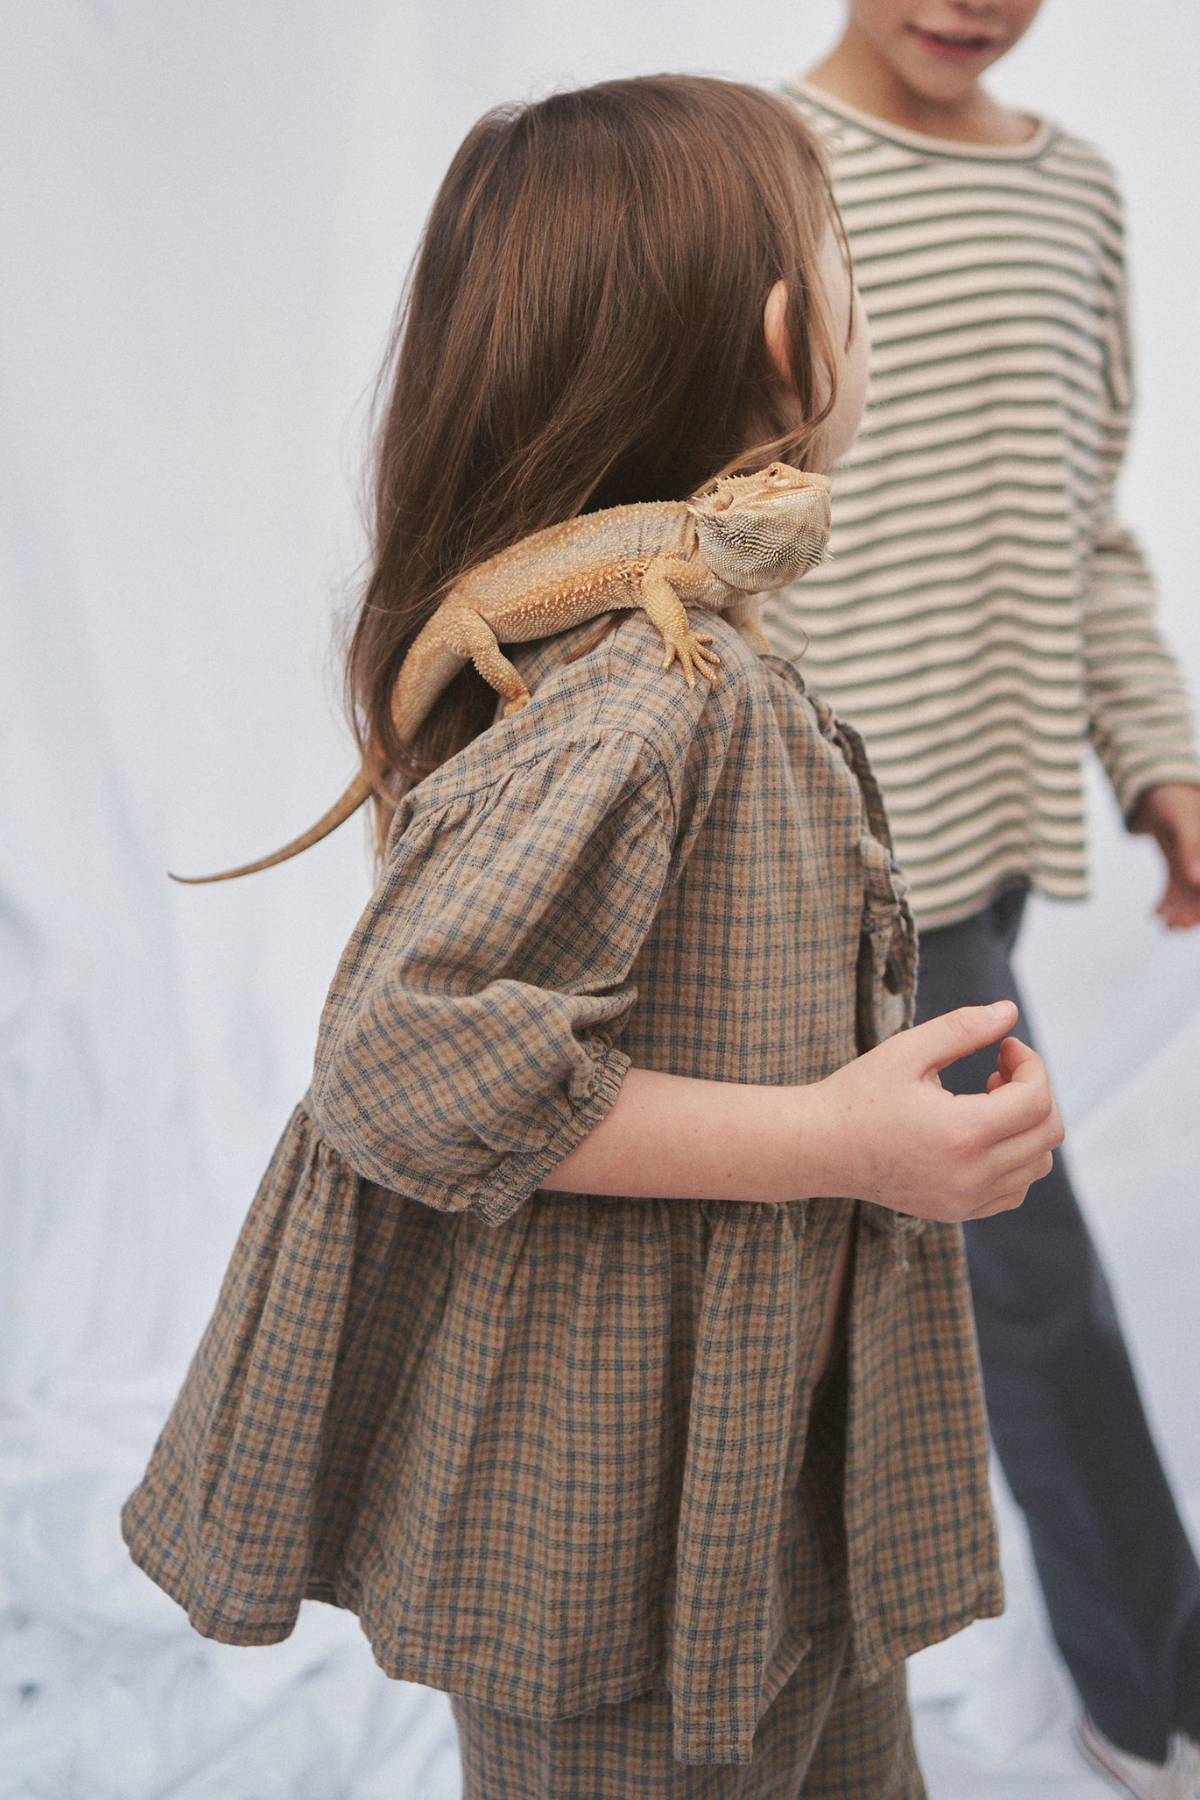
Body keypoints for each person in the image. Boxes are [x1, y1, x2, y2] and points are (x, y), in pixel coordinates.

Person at [120, 77, 1063, 1800]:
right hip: (631, 1517)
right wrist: (841, 1137)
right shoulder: (649, 700)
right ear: (785, 340)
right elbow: (399, 1055)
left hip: (760, 1466)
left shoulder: (709, 663)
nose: (871, 303)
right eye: (849, 262)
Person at [763, 6, 1200, 1796]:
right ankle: (1153, 1691)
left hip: (980, 848)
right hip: (799, 849)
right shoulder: (756, 169)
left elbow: (1082, 525)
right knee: (1021, 1286)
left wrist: (1162, 764)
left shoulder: (1074, 191)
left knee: (961, 1265)